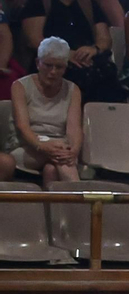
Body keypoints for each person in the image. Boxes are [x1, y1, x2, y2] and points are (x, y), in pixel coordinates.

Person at [18, 0, 121, 102]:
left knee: (107, 72)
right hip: (53, 59)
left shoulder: (88, 4)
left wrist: (94, 49)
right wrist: (65, 54)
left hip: (87, 59)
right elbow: (34, 39)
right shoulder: (39, 3)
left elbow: (105, 39)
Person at [7, 36, 78, 184]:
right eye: (48, 65)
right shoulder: (20, 86)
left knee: (51, 169)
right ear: (38, 63)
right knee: (63, 161)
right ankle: (82, 202)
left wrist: (74, 150)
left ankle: (54, 206)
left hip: (61, 147)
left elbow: (74, 128)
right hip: (29, 146)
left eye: (59, 67)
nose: (53, 72)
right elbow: (23, 126)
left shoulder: (73, 89)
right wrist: (43, 146)